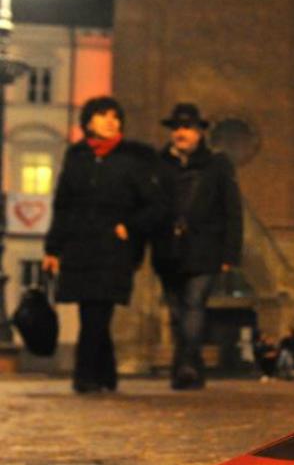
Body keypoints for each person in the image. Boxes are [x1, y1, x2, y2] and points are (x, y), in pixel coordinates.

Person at [42, 96, 165, 394]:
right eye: (104, 116)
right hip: (79, 246)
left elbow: (155, 204)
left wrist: (130, 227)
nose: (112, 121)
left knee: (97, 312)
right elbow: (63, 204)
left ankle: (83, 375)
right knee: (92, 311)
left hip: (114, 248)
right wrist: (52, 248)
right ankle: (106, 375)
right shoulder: (77, 156)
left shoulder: (132, 159)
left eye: (116, 116)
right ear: (89, 122)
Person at [150, 103, 244, 389]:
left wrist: (230, 252)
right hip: (168, 248)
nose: (181, 133)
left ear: (200, 133)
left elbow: (232, 209)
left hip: (205, 247)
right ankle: (190, 365)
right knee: (178, 312)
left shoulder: (217, 164)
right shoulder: (158, 163)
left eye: (188, 128)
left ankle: (187, 365)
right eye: (177, 128)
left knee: (193, 305)